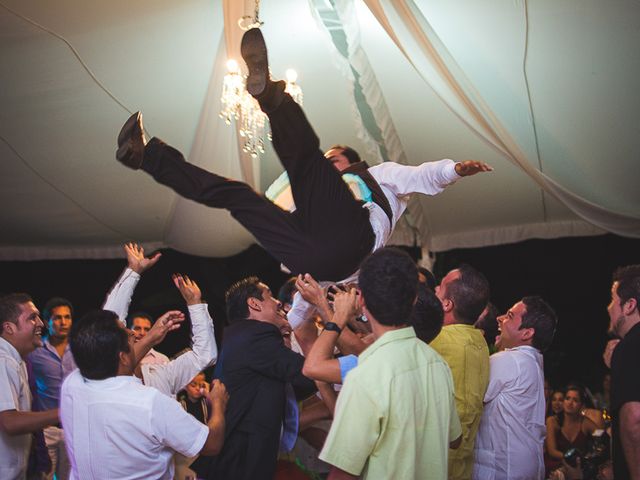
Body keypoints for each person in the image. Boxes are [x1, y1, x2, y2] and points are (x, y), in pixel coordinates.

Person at [114, 28, 491, 285]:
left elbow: (421, 177)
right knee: (240, 196)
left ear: (352, 163)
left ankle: (272, 98)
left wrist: (453, 169)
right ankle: (146, 156)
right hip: (309, 261)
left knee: (305, 163)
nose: (332, 165)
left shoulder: (377, 177)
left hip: (352, 241)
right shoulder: (309, 194)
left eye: (336, 160)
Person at [318, 248, 462, 479]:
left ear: (361, 300)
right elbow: (455, 439)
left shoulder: (364, 376)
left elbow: (343, 473)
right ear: (415, 298)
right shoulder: (437, 363)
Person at [60, 309, 228, 479]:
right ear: (123, 356)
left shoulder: (73, 385)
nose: (133, 333)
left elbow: (118, 362)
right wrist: (218, 404)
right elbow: (211, 444)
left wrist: (150, 338)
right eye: (127, 334)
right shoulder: (150, 404)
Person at [193, 277, 316, 480]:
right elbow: (310, 374)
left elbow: (295, 388)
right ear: (254, 303)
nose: (278, 302)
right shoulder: (256, 336)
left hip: (231, 464)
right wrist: (328, 327)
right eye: (270, 296)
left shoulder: (244, 337)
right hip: (236, 466)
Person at [103, 243, 218, 397]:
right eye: (131, 330)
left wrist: (195, 304)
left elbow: (204, 356)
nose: (135, 333)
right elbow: (109, 322)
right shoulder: (108, 376)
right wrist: (133, 272)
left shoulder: (162, 373)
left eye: (146, 330)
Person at [472, 296, 557, 480]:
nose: (500, 318)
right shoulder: (530, 362)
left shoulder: (511, 360)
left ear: (527, 333)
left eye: (510, 316)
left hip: (503, 470)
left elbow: (468, 396)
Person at [431, 265, 490, 480]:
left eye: (441, 286)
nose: (435, 288)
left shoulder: (439, 339)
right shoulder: (479, 340)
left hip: (435, 467)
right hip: (461, 467)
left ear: (447, 304)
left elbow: (375, 353)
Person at [0, 294, 60, 480]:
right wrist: (64, 410)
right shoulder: (3, 361)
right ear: (9, 328)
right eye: (32, 318)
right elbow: (9, 421)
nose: (41, 323)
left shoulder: (18, 361)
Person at [27, 297, 76, 480]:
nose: (63, 322)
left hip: (72, 426)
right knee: (44, 475)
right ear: (47, 322)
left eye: (67, 317)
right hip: (46, 428)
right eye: (57, 318)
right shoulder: (35, 350)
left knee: (70, 476)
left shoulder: (80, 349)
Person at [605, 264, 640, 480]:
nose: (608, 308)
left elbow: (635, 418)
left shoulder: (629, 346)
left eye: (612, 299)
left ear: (629, 305)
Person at [545, 384, 598, 475]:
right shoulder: (552, 421)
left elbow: (602, 438)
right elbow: (552, 451)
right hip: (556, 467)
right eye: (567, 398)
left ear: (581, 405)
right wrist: (575, 458)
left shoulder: (585, 423)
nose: (570, 403)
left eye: (575, 400)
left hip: (579, 468)